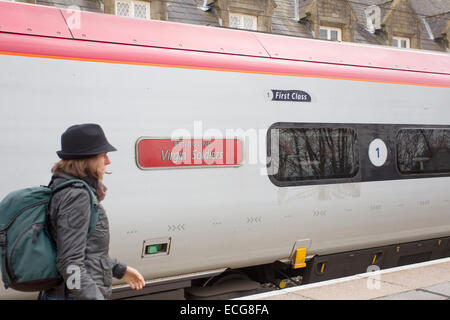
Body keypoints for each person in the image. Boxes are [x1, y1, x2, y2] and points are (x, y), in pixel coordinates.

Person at [40, 123, 145, 300]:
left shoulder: (67, 189)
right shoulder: (76, 196)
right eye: (103, 155)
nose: (108, 161)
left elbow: (87, 252)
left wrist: (119, 269)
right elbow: (70, 263)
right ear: (87, 160)